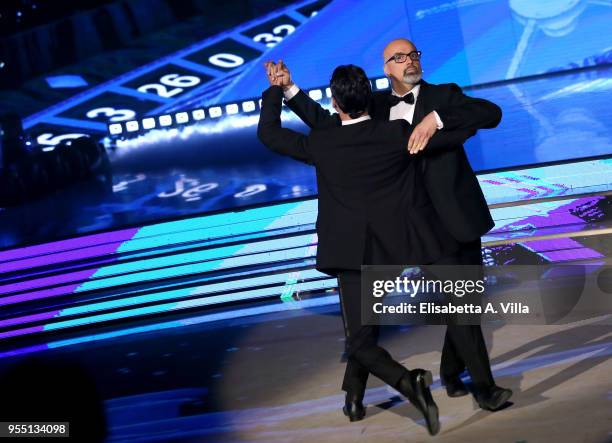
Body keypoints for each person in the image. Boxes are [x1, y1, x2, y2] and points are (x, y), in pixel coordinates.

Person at [267, 38, 512, 413]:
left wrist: (436, 118)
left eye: (414, 54)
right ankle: (472, 386)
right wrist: (290, 90)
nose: (409, 61)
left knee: (464, 305)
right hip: (401, 223)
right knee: (379, 313)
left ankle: (461, 377)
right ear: (386, 67)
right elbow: (327, 126)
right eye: (399, 57)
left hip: (450, 217)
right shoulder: (375, 105)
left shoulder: (444, 94)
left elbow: (489, 113)